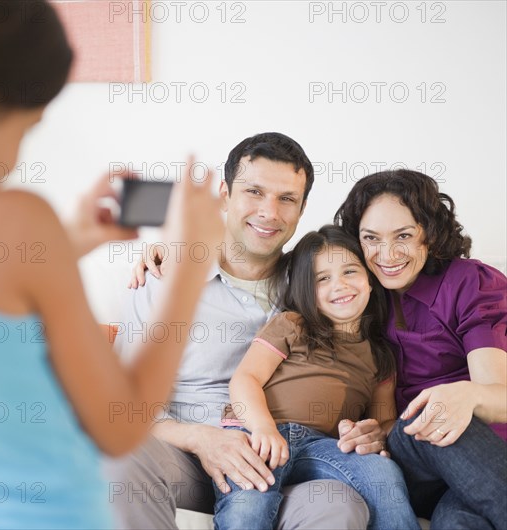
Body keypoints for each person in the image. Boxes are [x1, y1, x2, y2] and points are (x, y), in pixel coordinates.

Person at [0, 1, 223, 528]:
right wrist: (191, 266)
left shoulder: (5, 237)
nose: (14, 158)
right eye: (25, 128)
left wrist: (68, 240)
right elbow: (119, 425)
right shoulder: (15, 219)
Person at [110, 133, 374, 529]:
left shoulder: (317, 287)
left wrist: (372, 428)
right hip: (186, 457)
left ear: (301, 209)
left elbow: (360, 363)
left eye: (286, 198)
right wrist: (202, 439)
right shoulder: (167, 278)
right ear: (224, 195)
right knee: (117, 460)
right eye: (254, 191)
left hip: (281, 457)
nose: (269, 212)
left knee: (339, 503)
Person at [212, 225, 419, 530]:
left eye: (350, 272)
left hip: (322, 445)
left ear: (370, 281)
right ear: (307, 290)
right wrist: (263, 428)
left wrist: (372, 433)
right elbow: (245, 379)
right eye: (323, 279)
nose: (339, 285)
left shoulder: (381, 355)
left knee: (382, 473)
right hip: (257, 434)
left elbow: (383, 421)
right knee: (248, 505)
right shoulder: (292, 324)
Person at [334, 169, 507, 529]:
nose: (388, 254)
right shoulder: (357, 297)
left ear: (428, 234)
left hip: (488, 458)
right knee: (426, 415)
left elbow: (501, 397)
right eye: (371, 238)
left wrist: (468, 394)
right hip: (415, 456)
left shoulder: (467, 282)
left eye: (404, 236)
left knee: (457, 522)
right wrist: (375, 430)